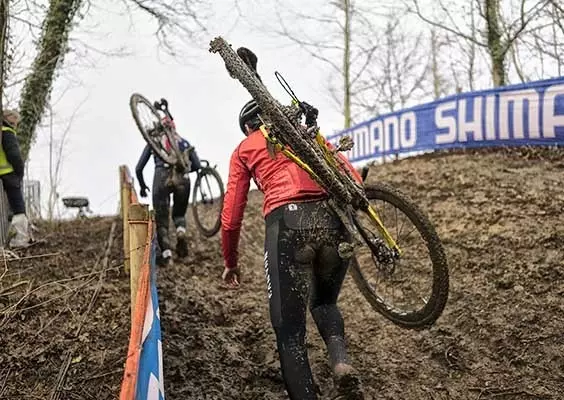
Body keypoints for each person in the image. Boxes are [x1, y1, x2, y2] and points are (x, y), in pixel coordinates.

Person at [220, 93, 366, 399]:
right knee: (325, 303)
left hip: (287, 223)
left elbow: (231, 217)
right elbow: (352, 176)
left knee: (289, 331)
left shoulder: (244, 148)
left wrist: (230, 261)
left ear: (248, 127)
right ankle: (340, 362)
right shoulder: (305, 133)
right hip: (334, 221)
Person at [135, 115, 201, 266]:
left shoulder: (154, 142)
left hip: (161, 177)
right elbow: (197, 165)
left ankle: (167, 255)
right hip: (182, 178)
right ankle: (180, 232)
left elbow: (139, 168)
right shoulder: (183, 142)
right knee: (179, 214)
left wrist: (142, 186)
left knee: (162, 220)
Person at [1, 109, 33, 248]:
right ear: (10, 119)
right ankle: (19, 240)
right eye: (16, 121)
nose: (17, 125)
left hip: (3, 175)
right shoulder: (7, 133)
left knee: (9, 210)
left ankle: (11, 236)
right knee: (19, 209)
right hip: (9, 174)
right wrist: (20, 173)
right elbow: (14, 156)